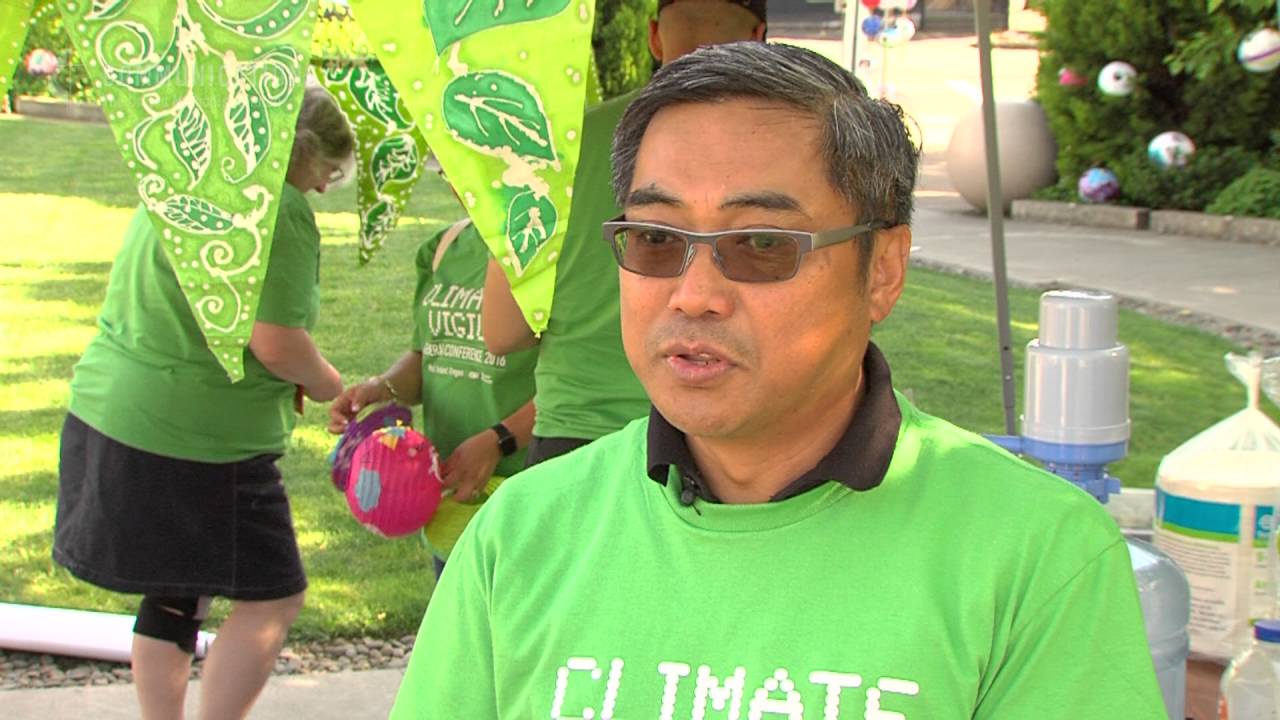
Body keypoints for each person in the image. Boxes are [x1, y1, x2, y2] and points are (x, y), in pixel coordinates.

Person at [390, 43, 1166, 718]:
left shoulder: (1036, 555)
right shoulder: (522, 532)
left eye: (761, 242)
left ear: (883, 270)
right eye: (657, 239)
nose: (692, 294)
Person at [52, 85, 352, 719]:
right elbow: (275, 342)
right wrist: (334, 386)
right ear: (299, 151)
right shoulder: (280, 206)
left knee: (173, 594)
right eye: (327, 170)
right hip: (196, 441)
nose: (325, 188)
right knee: (274, 597)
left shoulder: (182, 177)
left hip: (109, 410)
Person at [481, 0, 767, 466]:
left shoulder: (558, 149)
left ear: (654, 36)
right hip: (717, 449)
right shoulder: (786, 155)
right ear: (757, 36)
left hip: (572, 443)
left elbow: (501, 332)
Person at [326, 172, 538, 576]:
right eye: (448, 169)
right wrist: (381, 388)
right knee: (456, 628)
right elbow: (426, 356)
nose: (459, 180)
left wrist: (500, 440)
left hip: (520, 482)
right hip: (447, 489)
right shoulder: (442, 250)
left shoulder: (540, 249)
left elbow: (574, 382)